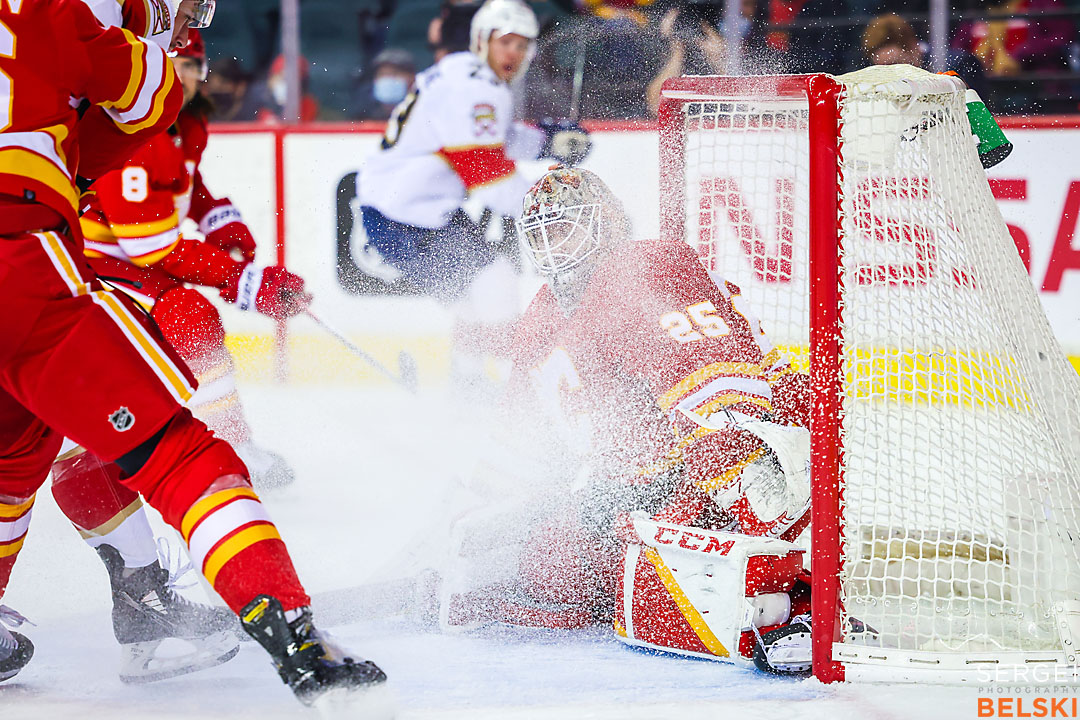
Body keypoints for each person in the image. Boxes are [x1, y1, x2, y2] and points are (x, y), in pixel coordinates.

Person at [0, 0, 387, 705]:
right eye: (183, 32)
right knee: (166, 420)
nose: (191, 43)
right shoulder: (99, 44)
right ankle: (181, 604)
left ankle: (142, 597)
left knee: (20, 455)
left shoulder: (184, 122)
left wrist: (230, 236)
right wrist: (243, 278)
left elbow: (196, 192)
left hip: (46, 263)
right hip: (39, 269)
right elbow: (147, 235)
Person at [440, 166, 822, 675]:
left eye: (565, 225)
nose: (553, 243)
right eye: (541, 232)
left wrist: (745, 463)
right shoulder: (542, 311)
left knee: (719, 455)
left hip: (729, 457)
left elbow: (716, 388)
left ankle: (799, 600)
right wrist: (485, 504)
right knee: (557, 568)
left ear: (606, 221)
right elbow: (525, 433)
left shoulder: (642, 267)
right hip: (636, 482)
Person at [77, 29, 297, 492]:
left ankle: (229, 439)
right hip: (91, 257)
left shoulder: (186, 121)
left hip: (130, 254)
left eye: (193, 65)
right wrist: (244, 281)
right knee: (189, 316)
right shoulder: (134, 129)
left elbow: (181, 184)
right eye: (175, 63)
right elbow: (151, 247)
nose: (185, 74)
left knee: (189, 320)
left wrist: (218, 219)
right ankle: (219, 444)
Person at [357, 0, 592, 393]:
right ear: (482, 40)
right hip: (406, 216)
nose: (513, 54)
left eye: (522, 45)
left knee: (470, 299)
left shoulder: (462, 73)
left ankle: (469, 388)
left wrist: (548, 141)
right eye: (506, 43)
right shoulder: (478, 92)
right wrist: (549, 212)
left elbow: (488, 140)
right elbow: (491, 181)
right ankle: (512, 394)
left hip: (404, 209)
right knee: (494, 282)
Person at [863, 13, 987, 99]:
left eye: (893, 64)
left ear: (912, 47)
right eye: (881, 68)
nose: (890, 74)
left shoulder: (959, 63)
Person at [349, 48, 418, 121]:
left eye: (394, 74)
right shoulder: (363, 114)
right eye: (382, 74)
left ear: (412, 77)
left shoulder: (421, 108)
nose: (388, 79)